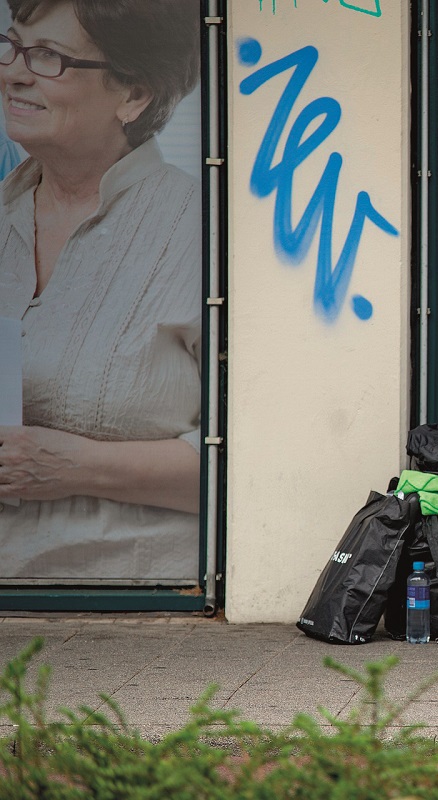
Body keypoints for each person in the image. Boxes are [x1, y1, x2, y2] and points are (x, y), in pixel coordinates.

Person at [0, 0, 201, 581]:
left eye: (48, 56)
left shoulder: (202, 230)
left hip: (142, 606)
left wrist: (76, 468)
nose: (14, 71)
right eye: (11, 45)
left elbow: (262, 462)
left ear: (133, 95)